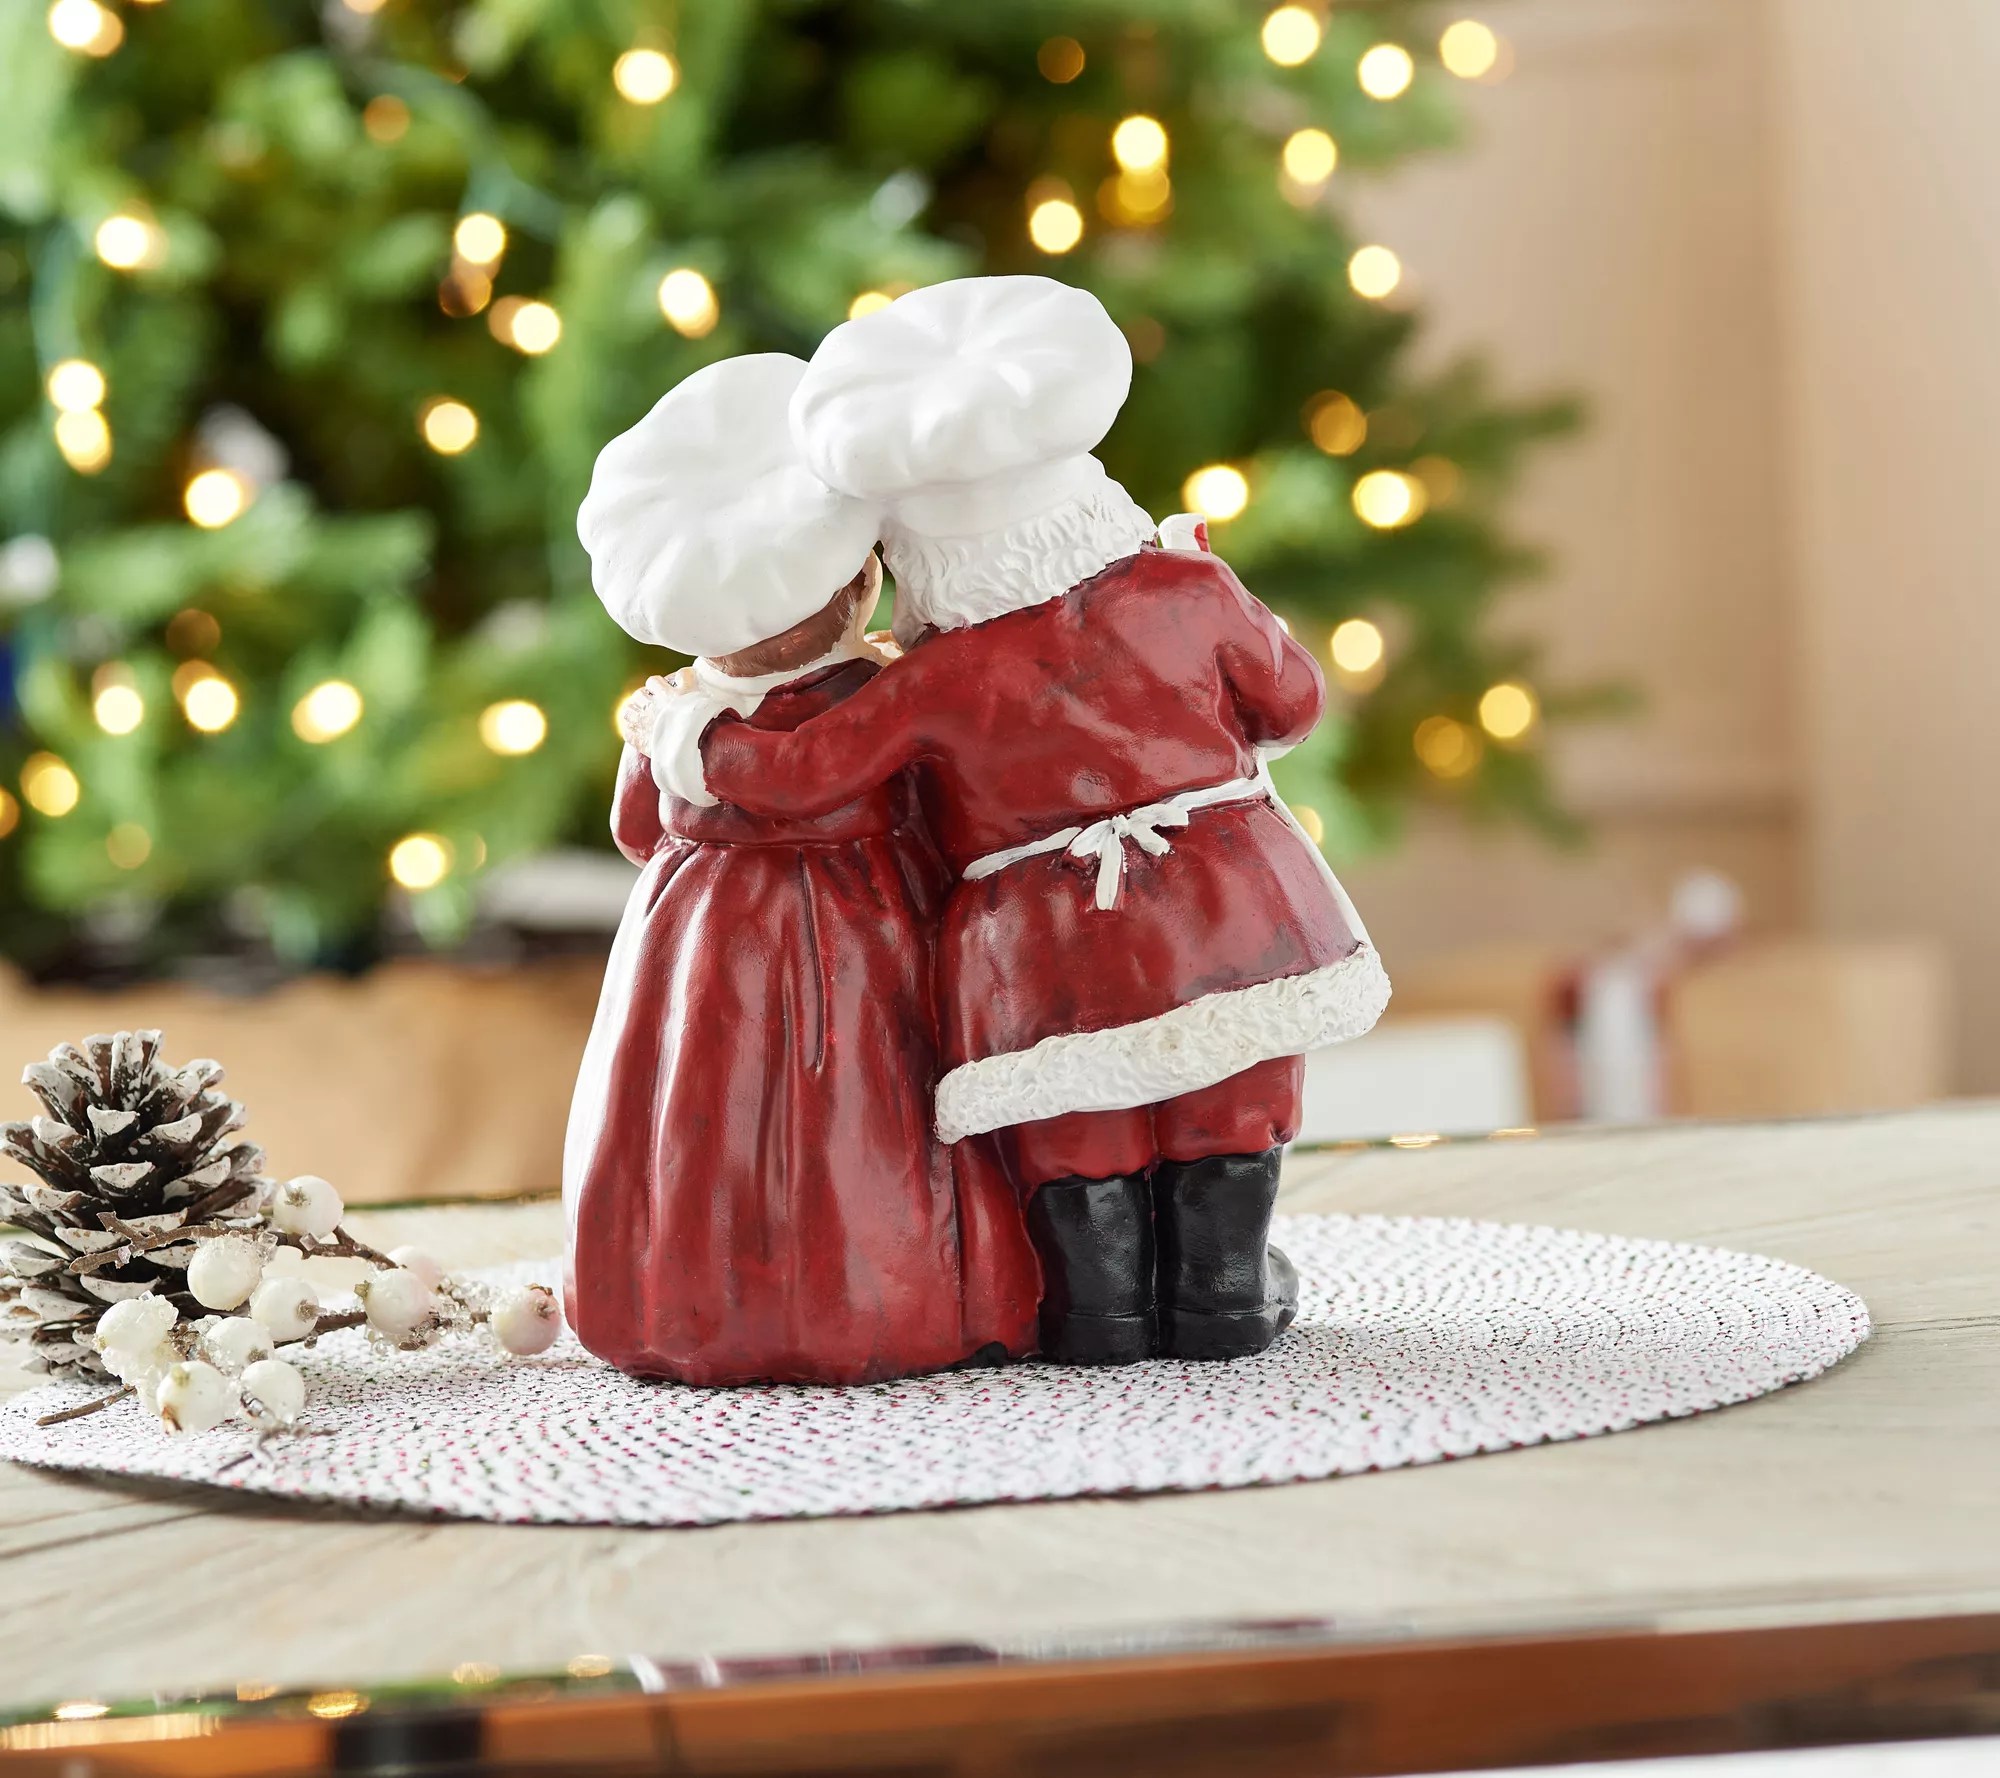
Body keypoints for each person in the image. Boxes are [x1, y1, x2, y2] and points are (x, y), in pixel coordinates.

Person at [650, 278, 1390, 1368]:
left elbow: (803, 771)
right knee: (1222, 1086)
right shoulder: (1184, 586)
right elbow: (1292, 702)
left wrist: (687, 731)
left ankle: (1098, 1310)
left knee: (1070, 1112)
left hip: (1035, 937)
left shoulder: (935, 673)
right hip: (1226, 898)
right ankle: (1220, 1291)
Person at [563, 353, 1039, 1387]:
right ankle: (872, 1297)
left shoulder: (669, 714)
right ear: (856, 578)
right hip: (865, 930)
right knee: (862, 1111)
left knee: (692, 1113)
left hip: (690, 941)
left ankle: (679, 1298)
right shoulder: (877, 695)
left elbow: (636, 827)